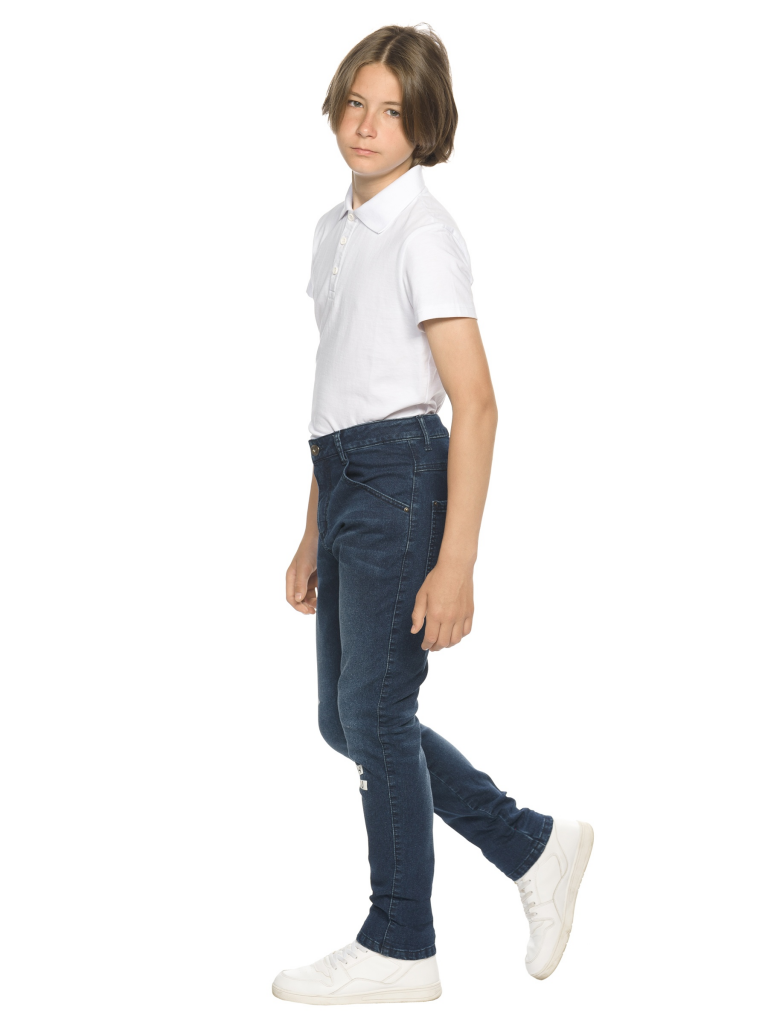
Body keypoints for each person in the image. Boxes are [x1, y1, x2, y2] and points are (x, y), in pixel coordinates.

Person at [275, 23, 593, 1005]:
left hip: (403, 478)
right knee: (345, 719)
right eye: (355, 103)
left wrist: (457, 563)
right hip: (345, 474)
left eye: (392, 112)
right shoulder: (335, 230)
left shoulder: (424, 233)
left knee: (375, 712)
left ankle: (402, 939)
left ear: (425, 128)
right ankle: (533, 845)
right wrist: (311, 526)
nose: (366, 126)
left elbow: (477, 403)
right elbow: (343, 383)